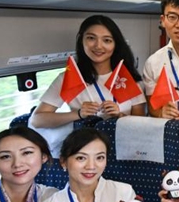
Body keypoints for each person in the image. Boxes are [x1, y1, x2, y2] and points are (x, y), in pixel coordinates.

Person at [30, 15, 146, 155]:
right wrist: (78, 114)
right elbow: (37, 120)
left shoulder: (129, 79)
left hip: (125, 152)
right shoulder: (69, 77)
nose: (98, 46)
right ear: (81, 41)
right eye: (91, 38)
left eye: (107, 40)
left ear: (115, 44)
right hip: (86, 153)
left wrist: (120, 115)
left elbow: (142, 126)